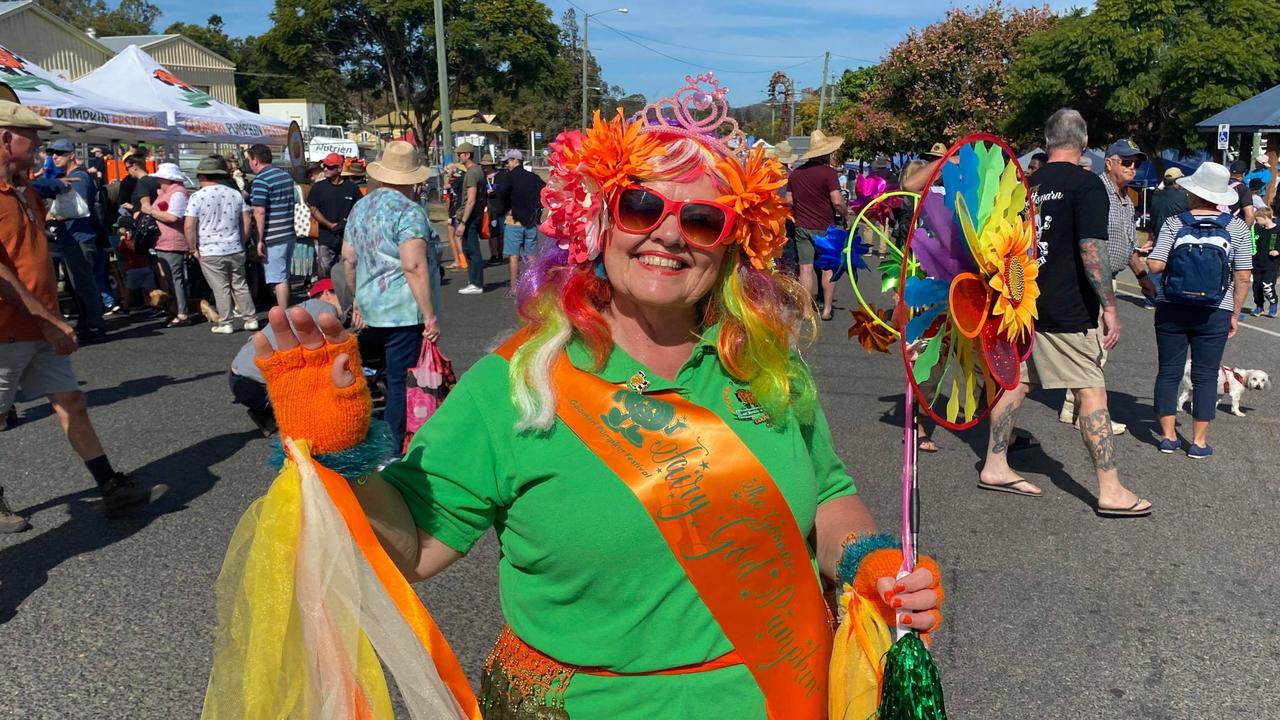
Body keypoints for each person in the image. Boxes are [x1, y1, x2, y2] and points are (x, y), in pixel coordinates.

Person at [247, 76, 942, 717]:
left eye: (702, 220)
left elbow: (826, 493)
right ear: (598, 219)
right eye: (641, 205)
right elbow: (412, 546)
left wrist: (867, 562)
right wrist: (336, 455)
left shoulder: (765, 365)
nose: (669, 233)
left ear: (730, 244)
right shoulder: (519, 384)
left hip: (775, 695)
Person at [979, 108, 1152, 517]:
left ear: (1046, 140)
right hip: (1067, 305)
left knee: (1016, 383)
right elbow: (1091, 248)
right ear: (1085, 142)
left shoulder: (1027, 184)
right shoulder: (1086, 183)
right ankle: (1110, 489)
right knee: (1091, 389)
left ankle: (995, 463)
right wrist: (1110, 306)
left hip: (1021, 303)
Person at [0, 101, 149, 532]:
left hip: (41, 323)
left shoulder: (26, 191)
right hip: (9, 328)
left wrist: (50, 318)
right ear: (6, 138)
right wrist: (47, 319)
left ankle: (109, 485)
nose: (42, 144)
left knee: (72, 401)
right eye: (34, 134)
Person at [1146, 162, 1253, 458]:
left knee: (1169, 371)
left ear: (1193, 192)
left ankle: (1168, 438)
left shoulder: (1174, 223)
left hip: (1172, 307)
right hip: (1215, 310)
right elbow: (1243, 274)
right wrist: (1233, 313)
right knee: (1206, 375)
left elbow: (1155, 264)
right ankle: (1199, 442)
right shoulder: (1236, 227)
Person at [341, 140, 440, 444]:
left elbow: (349, 257)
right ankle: (394, 447)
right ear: (416, 178)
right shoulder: (410, 212)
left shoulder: (361, 205)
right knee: (399, 383)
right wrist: (429, 315)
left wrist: (356, 298)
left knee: (371, 375)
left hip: (368, 307)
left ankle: (358, 435)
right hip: (402, 311)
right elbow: (413, 265)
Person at [1058, 138, 1155, 435]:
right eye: (1126, 162)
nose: (1133, 167)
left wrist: (1141, 278)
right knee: (1095, 346)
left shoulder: (1126, 199)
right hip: (1089, 279)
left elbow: (1128, 245)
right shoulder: (1095, 191)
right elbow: (1087, 242)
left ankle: (1072, 408)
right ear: (1110, 162)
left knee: (1096, 346)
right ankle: (1088, 412)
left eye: (1136, 163)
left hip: (1107, 277)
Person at [229, 278, 341, 435]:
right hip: (258, 383)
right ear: (327, 293)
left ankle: (269, 413)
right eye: (341, 295)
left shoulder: (295, 310)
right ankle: (286, 414)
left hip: (238, 376)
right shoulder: (324, 307)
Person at [186, 157, 257, 334]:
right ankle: (251, 319)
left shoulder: (197, 196)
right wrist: (242, 239)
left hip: (210, 249)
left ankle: (226, 322)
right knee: (240, 284)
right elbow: (247, 220)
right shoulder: (235, 194)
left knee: (221, 287)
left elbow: (189, 225)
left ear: (201, 175)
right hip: (234, 246)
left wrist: (192, 247)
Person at [45, 138, 107, 338]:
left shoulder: (78, 177)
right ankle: (86, 321)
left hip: (80, 237)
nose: (54, 157)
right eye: (52, 153)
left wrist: (50, 216)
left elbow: (77, 209)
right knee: (76, 283)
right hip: (72, 236)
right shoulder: (71, 176)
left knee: (83, 283)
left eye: (60, 153)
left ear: (71, 155)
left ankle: (94, 323)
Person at [788, 129, 850, 321]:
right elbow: (837, 201)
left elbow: (788, 200)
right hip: (825, 226)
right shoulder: (829, 173)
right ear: (824, 153)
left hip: (802, 225)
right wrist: (846, 216)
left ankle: (806, 310)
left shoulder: (796, 174)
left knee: (805, 268)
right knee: (827, 267)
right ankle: (826, 309)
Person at [248, 144, 297, 310]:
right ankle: (282, 310)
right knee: (283, 275)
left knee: (278, 278)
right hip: (289, 231)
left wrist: (260, 239)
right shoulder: (286, 176)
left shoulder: (261, 180)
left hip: (273, 235)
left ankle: (283, 315)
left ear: (255, 160)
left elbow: (259, 211)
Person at [143, 163, 191, 327]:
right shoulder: (169, 192)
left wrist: (150, 211)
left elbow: (173, 217)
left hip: (173, 241)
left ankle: (182, 312)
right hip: (163, 241)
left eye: (161, 178)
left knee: (176, 278)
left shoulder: (177, 193)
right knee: (171, 279)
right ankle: (177, 309)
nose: (159, 181)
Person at [307, 152, 361, 279]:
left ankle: (344, 296)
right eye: (324, 166)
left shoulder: (351, 188)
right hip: (326, 237)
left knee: (347, 272)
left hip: (346, 238)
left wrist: (348, 224)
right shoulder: (318, 187)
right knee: (325, 273)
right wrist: (329, 224)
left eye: (330, 166)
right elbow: (313, 209)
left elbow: (359, 208)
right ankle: (326, 296)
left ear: (339, 168)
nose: (325, 169)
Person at [493, 148, 544, 282]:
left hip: (513, 220)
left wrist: (503, 210)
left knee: (514, 256)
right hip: (531, 221)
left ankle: (515, 287)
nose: (507, 165)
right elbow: (545, 193)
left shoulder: (509, 177)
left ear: (516, 160)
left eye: (508, 161)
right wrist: (537, 212)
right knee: (531, 256)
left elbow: (502, 195)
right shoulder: (534, 178)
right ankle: (534, 285)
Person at [452, 142, 486, 294]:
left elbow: (470, 200)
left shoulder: (472, 173)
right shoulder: (478, 170)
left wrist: (463, 222)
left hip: (470, 217)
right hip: (474, 215)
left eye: (460, 154)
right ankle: (473, 280)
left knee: (472, 250)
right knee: (469, 249)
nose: (458, 157)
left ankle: (476, 283)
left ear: (468, 155)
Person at [1251, 206, 1279, 317]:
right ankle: (1259, 306)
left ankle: (1273, 303)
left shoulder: (1277, 230)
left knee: (1267, 286)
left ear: (1265, 217)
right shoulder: (1258, 230)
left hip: (1271, 264)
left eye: (1258, 219)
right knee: (1256, 286)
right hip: (1257, 263)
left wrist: (1277, 251)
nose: (1257, 222)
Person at [482, 153, 505, 265]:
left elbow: (504, 191)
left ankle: (500, 254)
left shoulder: (500, 176)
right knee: (491, 233)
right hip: (488, 209)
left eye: (487, 165)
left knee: (500, 233)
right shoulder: (482, 177)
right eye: (483, 166)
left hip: (500, 208)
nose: (485, 167)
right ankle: (493, 254)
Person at [1228, 160, 1256, 229]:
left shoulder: (1220, 185)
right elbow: (1250, 216)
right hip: (1234, 227)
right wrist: (1244, 233)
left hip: (1217, 226)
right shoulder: (1244, 189)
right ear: (1243, 174)